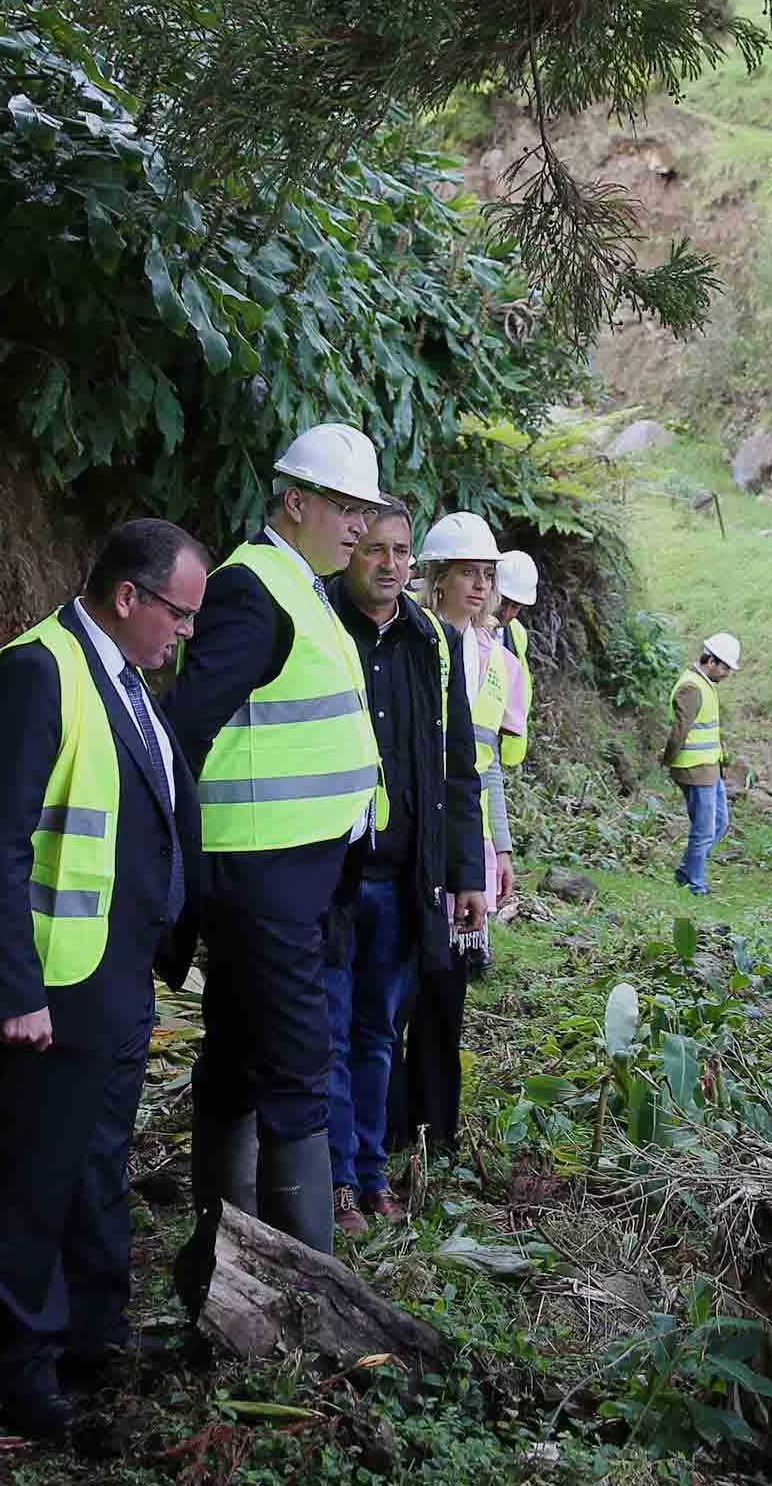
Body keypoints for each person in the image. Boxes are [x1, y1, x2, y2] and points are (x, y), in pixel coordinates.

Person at [0, 520, 205, 1442]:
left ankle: (96, 1336)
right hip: (48, 987)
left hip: (113, 974)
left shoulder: (123, 676)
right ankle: (28, 1369)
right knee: (32, 1175)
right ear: (127, 597)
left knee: (95, 1162)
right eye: (178, 613)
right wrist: (15, 991)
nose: (186, 632)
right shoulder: (36, 671)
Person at [165, 423, 392, 1287]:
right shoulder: (253, 590)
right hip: (261, 870)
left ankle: (229, 1256)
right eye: (344, 507)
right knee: (297, 1061)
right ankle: (306, 1283)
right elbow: (184, 729)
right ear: (294, 501)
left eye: (365, 509)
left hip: (296, 867)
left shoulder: (302, 587)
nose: (358, 526)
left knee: (237, 1048)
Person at [324, 505, 484, 1235]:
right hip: (329, 874)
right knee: (327, 1032)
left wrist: (466, 872)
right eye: (373, 549)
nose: (388, 564)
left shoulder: (434, 643)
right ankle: (333, 1180)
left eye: (400, 551)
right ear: (348, 552)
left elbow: (459, 767)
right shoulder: (319, 627)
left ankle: (369, 1170)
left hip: (402, 877)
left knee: (377, 1033)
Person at [410, 513, 513, 1155]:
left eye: (487, 575)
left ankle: (436, 1124)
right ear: (438, 577)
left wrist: (500, 846)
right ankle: (400, 1118)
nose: (479, 586)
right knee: (407, 984)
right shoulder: (414, 639)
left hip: (466, 838)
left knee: (450, 984)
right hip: (417, 835)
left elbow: (487, 760)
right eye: (467, 573)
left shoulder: (492, 657)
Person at [666, 634, 740, 896]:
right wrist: (668, 760)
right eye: (725, 667)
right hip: (694, 767)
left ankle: (686, 871)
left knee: (720, 823)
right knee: (704, 830)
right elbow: (679, 730)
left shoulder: (704, 684)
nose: (727, 673)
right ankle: (696, 885)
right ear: (710, 661)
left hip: (709, 766)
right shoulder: (691, 687)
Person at [493, 550, 538, 771]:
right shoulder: (463, 624)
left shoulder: (517, 633)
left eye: (516, 606)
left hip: (495, 745)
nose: (507, 613)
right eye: (503, 602)